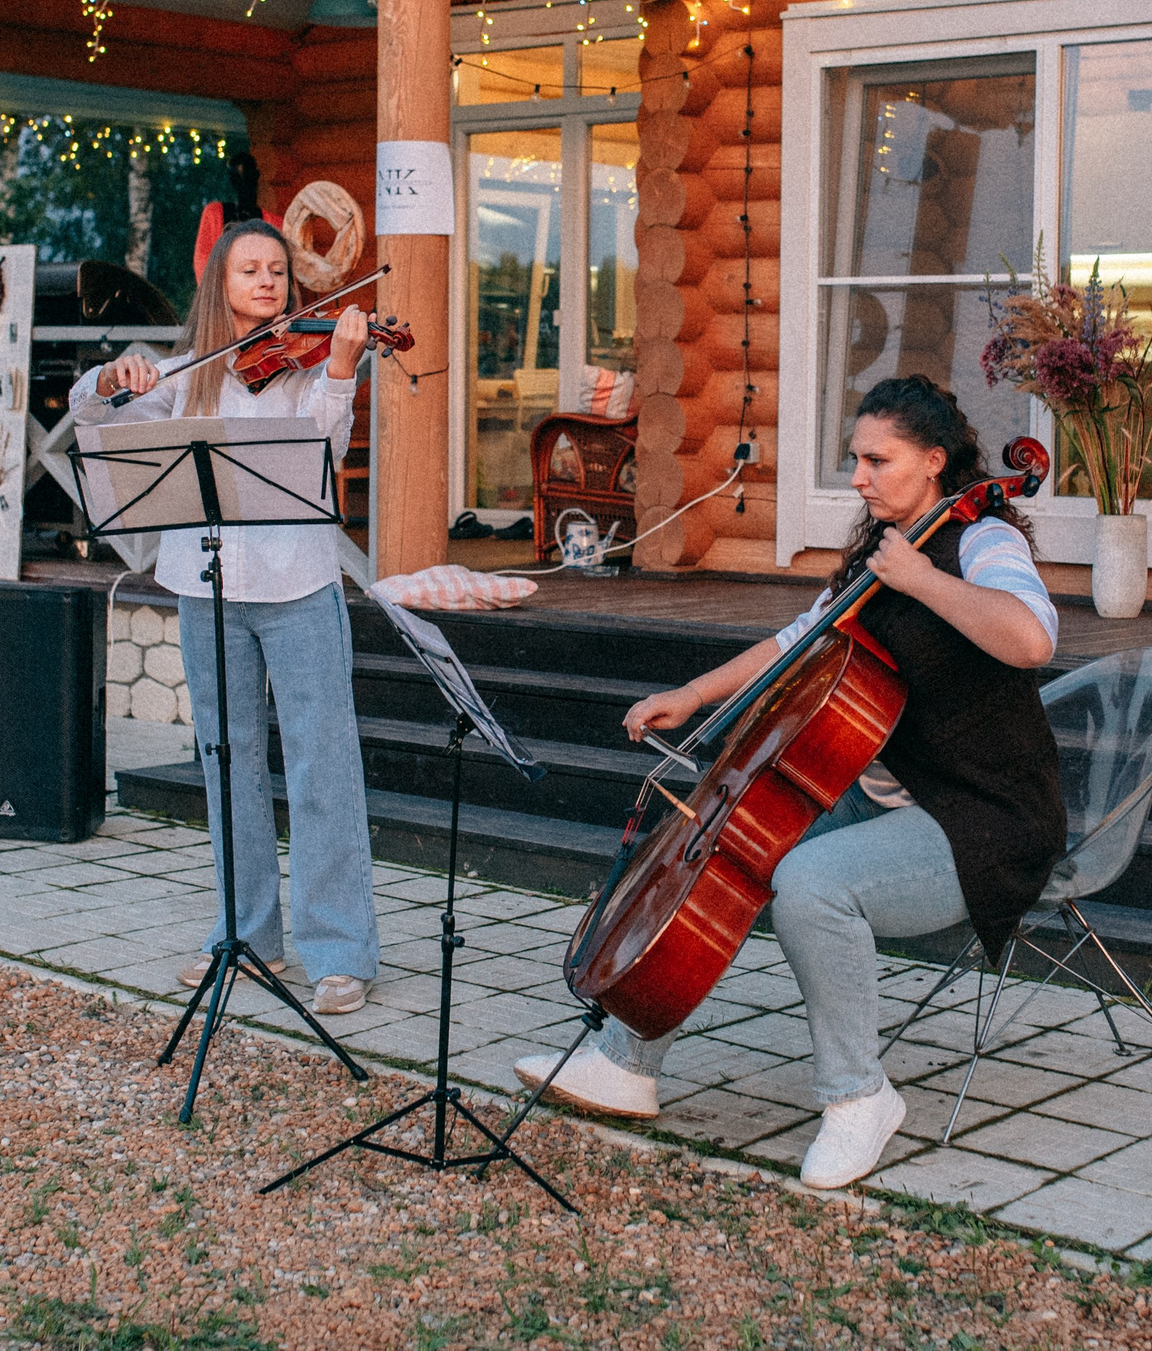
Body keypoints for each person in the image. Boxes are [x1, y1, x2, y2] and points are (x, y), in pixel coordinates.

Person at [516, 375, 1064, 1190]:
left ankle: (859, 1098)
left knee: (810, 881)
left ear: (933, 461)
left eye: (878, 460)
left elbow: (1032, 640)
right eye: (856, 459)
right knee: (730, 837)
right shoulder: (878, 554)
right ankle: (626, 1061)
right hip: (890, 799)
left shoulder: (983, 541)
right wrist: (692, 695)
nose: (859, 477)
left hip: (987, 822)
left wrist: (920, 579)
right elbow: (792, 644)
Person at [70, 219, 380, 1016]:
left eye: (277, 269)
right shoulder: (183, 375)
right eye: (250, 270)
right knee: (226, 761)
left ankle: (339, 951)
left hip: (299, 585)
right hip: (205, 588)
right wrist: (110, 378)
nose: (268, 281)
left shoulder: (307, 367)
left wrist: (341, 369)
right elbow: (93, 419)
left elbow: (326, 451)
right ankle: (247, 935)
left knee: (321, 768)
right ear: (222, 286)